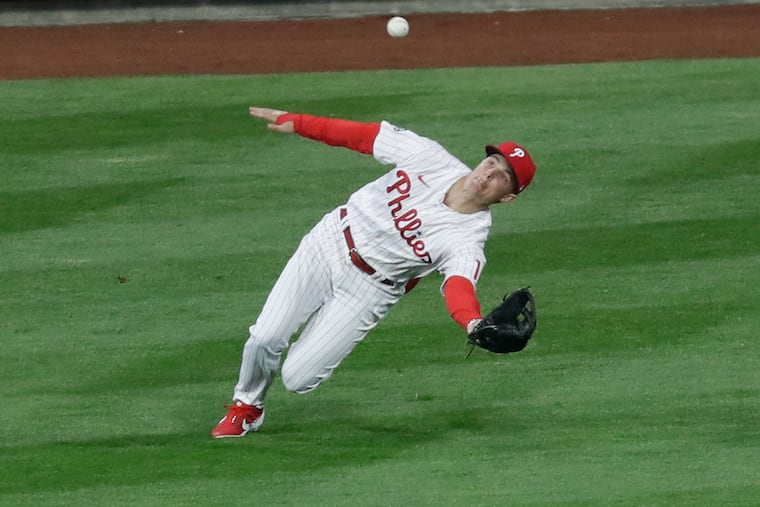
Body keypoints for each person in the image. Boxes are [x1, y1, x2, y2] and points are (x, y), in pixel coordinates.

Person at [211, 106, 537, 438]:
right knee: (265, 336)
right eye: (492, 162)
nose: (489, 172)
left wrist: (471, 321)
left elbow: (458, 285)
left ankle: (270, 390)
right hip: (329, 242)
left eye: (502, 175)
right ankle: (246, 407)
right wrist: (300, 124)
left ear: (508, 196)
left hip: (369, 291)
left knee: (299, 378)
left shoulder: (468, 238)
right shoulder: (430, 157)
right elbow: (363, 136)